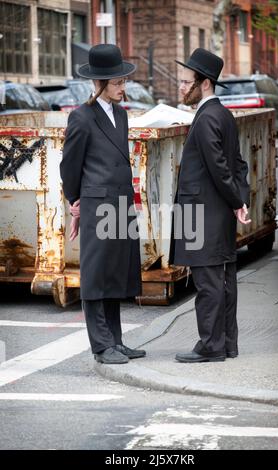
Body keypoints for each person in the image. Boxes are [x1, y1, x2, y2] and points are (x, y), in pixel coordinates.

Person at [60, 44, 145, 364]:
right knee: (96, 276)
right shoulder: (81, 117)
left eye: (124, 81)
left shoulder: (120, 115)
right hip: (97, 205)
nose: (124, 87)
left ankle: (116, 340)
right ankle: (100, 346)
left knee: (115, 273)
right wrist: (76, 202)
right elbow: (69, 166)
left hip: (121, 202)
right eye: (118, 82)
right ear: (99, 84)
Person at [173, 48, 251, 363]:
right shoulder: (223, 115)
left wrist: (236, 201)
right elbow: (239, 165)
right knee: (224, 280)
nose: (180, 87)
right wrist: (239, 201)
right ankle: (226, 344)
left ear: (204, 84)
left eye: (185, 82)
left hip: (203, 214)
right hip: (217, 213)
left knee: (208, 282)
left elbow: (221, 168)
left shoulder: (206, 118)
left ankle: (211, 345)